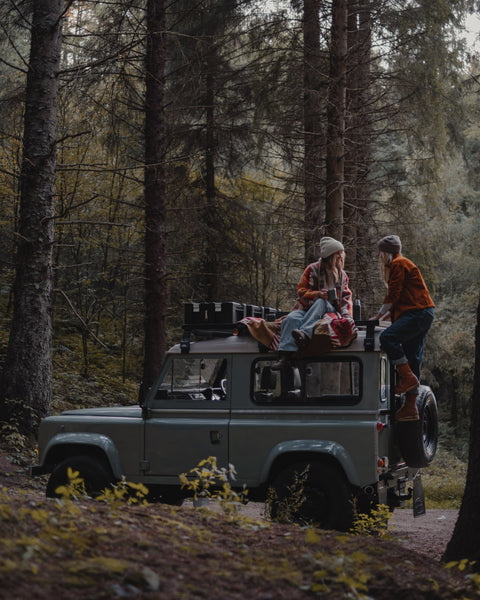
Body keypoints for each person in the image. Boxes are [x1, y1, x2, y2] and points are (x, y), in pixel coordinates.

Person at [370, 235, 435, 421]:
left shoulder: (399, 263)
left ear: (386, 253)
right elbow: (400, 300)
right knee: (412, 357)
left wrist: (378, 316)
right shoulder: (402, 263)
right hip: (421, 314)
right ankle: (411, 407)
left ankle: (406, 378)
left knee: (387, 338)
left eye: (379, 253)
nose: (378, 257)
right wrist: (386, 315)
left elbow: (394, 293)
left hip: (418, 313)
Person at [271, 237, 352, 370]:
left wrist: (347, 315)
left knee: (322, 302)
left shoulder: (342, 276)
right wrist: (317, 294)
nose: (341, 256)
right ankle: (285, 356)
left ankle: (304, 333)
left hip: (330, 310)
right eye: (338, 253)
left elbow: (346, 298)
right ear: (331, 255)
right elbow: (301, 291)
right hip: (308, 308)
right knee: (291, 318)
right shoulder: (312, 269)